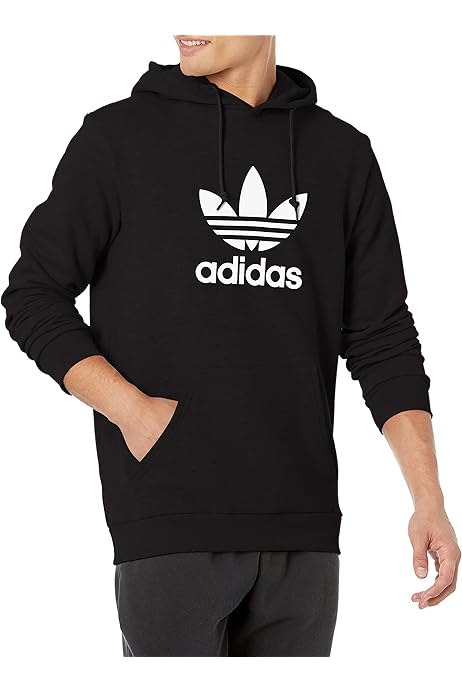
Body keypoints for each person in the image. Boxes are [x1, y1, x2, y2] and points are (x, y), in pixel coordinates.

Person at [2, 34, 459, 658]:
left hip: (303, 530)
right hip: (170, 522)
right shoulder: (118, 137)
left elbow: (383, 338)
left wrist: (429, 499)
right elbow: (33, 294)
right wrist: (134, 413)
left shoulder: (341, 154)